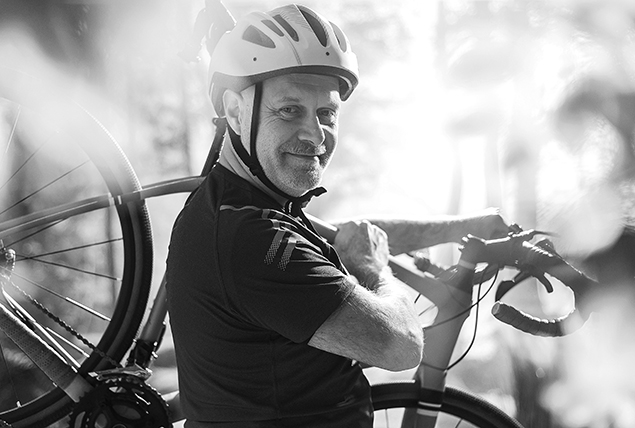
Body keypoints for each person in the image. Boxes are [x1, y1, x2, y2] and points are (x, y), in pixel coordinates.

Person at [166, 4, 508, 427]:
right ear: (236, 112)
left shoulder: (241, 208)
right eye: (289, 109)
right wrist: (376, 271)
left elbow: (357, 234)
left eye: (326, 113)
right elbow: (400, 345)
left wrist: (470, 225)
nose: (314, 134)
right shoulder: (253, 238)